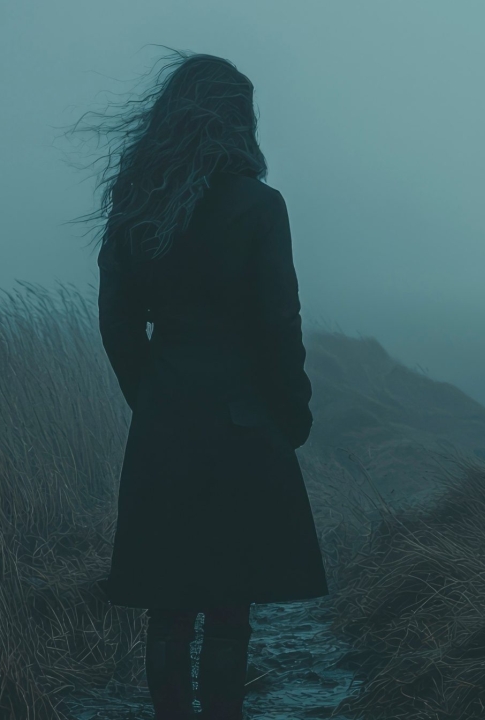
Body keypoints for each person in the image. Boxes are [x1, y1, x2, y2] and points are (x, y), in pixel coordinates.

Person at [90, 52, 329, 720]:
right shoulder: (259, 205)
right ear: (234, 119)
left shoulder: (135, 202)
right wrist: (290, 414)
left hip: (166, 417)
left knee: (169, 609)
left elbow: (115, 322)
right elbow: (279, 321)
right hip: (243, 424)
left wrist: (151, 396)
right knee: (229, 607)